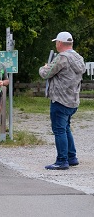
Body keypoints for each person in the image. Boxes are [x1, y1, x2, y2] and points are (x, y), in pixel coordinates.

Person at [39, 31, 84, 170]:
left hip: (60, 99)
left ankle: (62, 160)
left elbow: (46, 73)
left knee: (59, 130)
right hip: (73, 99)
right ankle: (72, 157)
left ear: (59, 43)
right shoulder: (78, 57)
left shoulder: (61, 58)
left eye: (56, 42)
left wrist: (43, 67)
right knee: (65, 128)